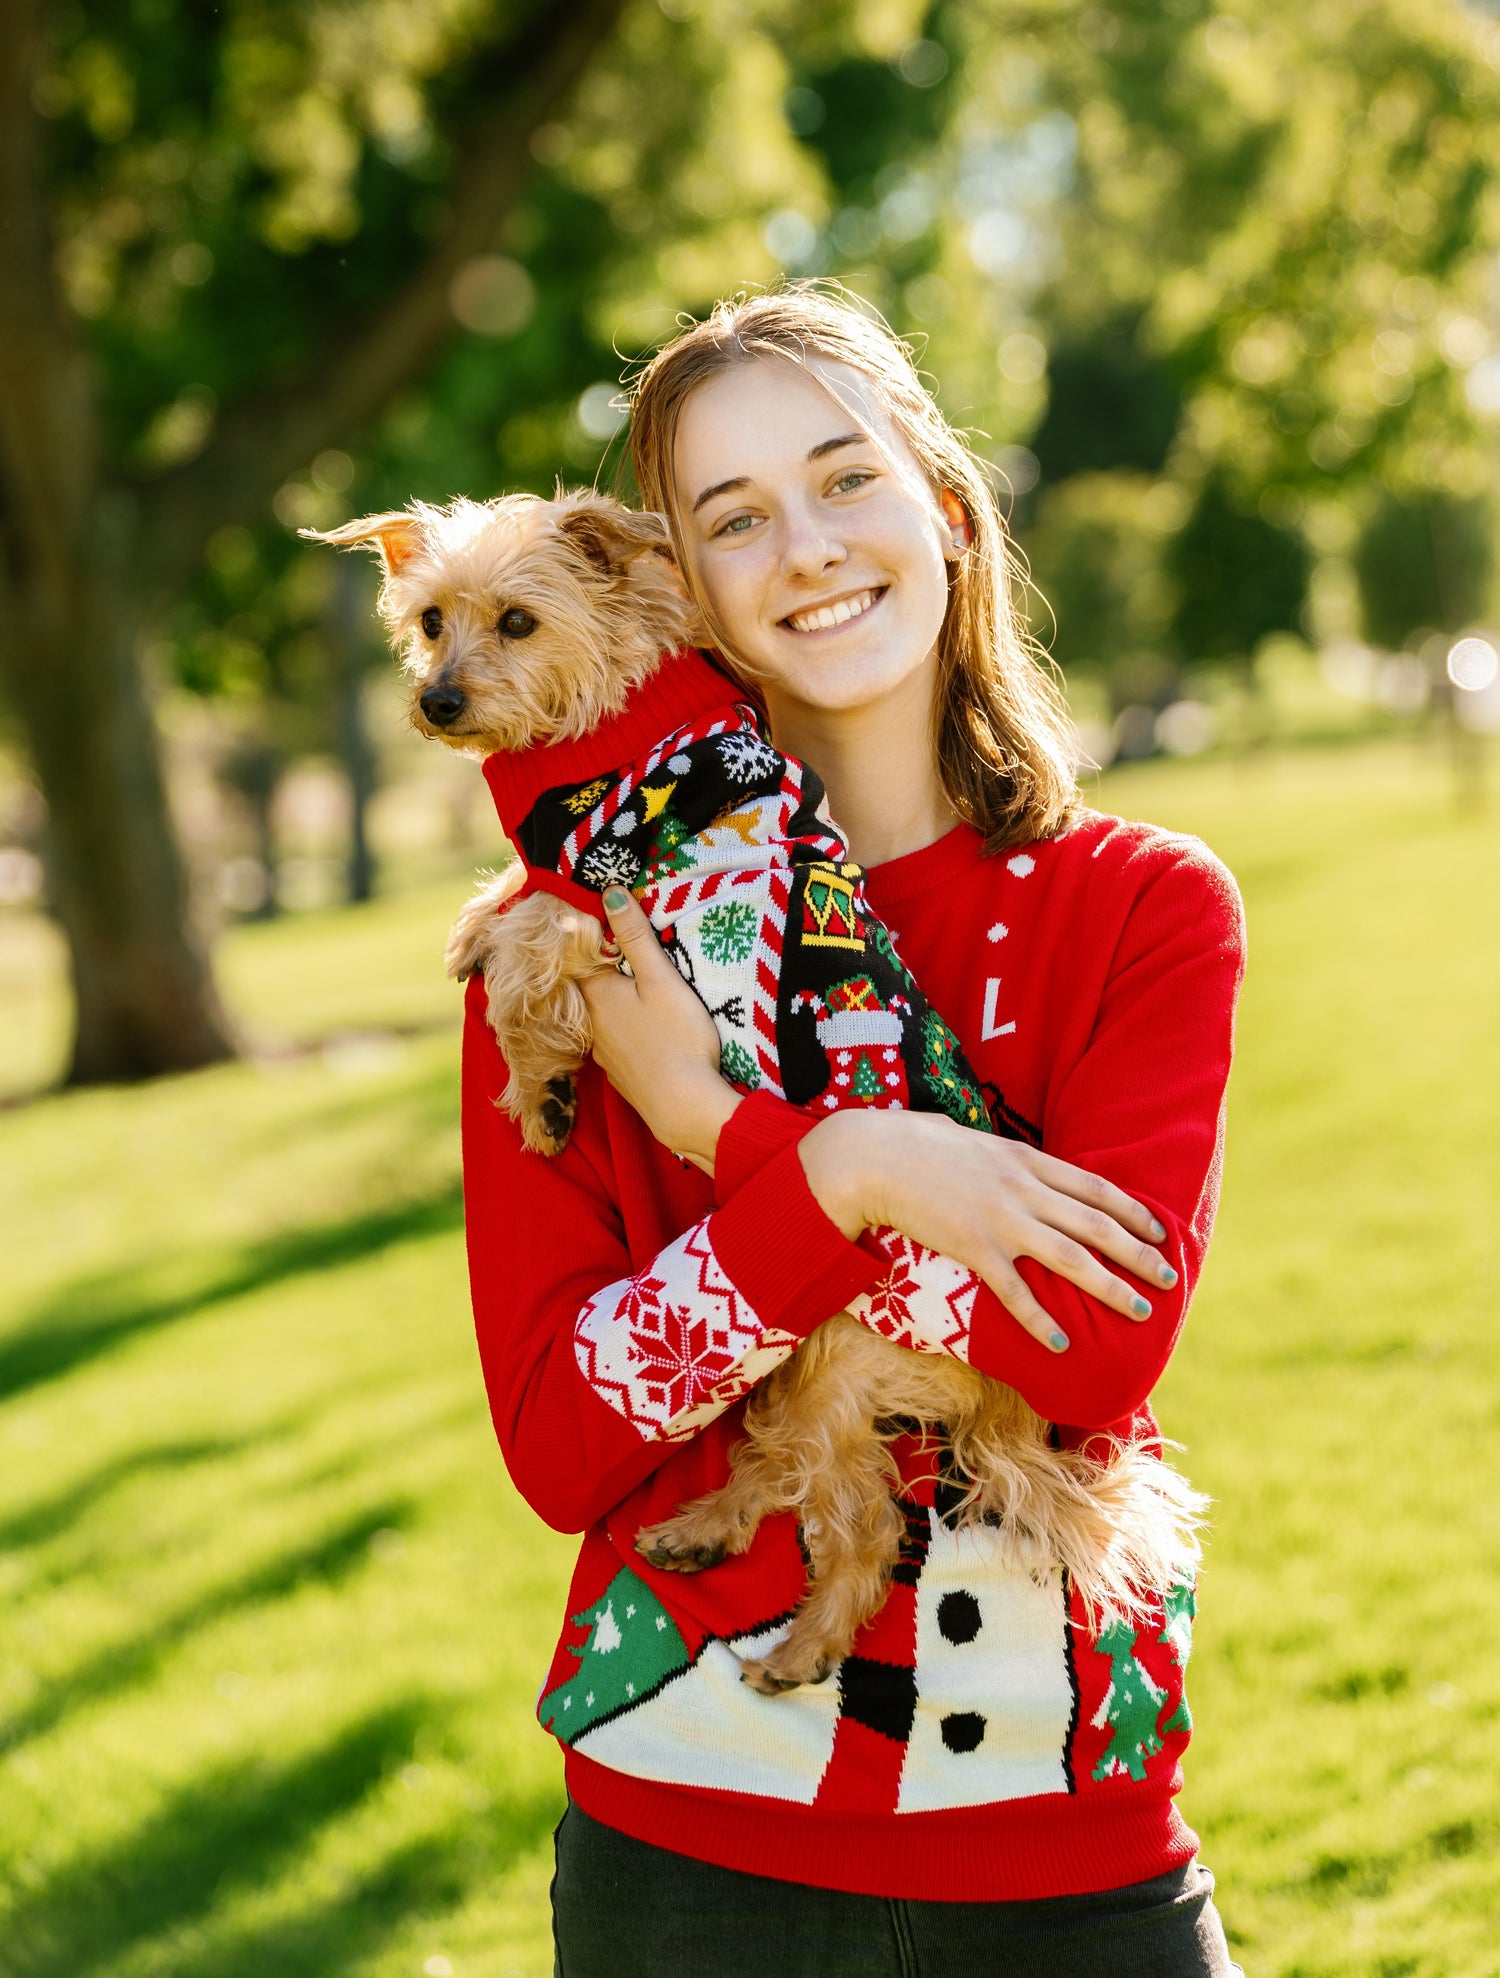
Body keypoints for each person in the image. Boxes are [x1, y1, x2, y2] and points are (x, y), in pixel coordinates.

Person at [460, 284, 1246, 1975]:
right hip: (682, 1858)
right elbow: (563, 1434)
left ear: (946, 514)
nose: (806, 546)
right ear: (674, 586)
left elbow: (1091, 1350)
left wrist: (723, 1137)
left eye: (845, 479)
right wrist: (852, 1166)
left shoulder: (1143, 906)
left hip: (1069, 1842)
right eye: (734, 518)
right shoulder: (563, 950)